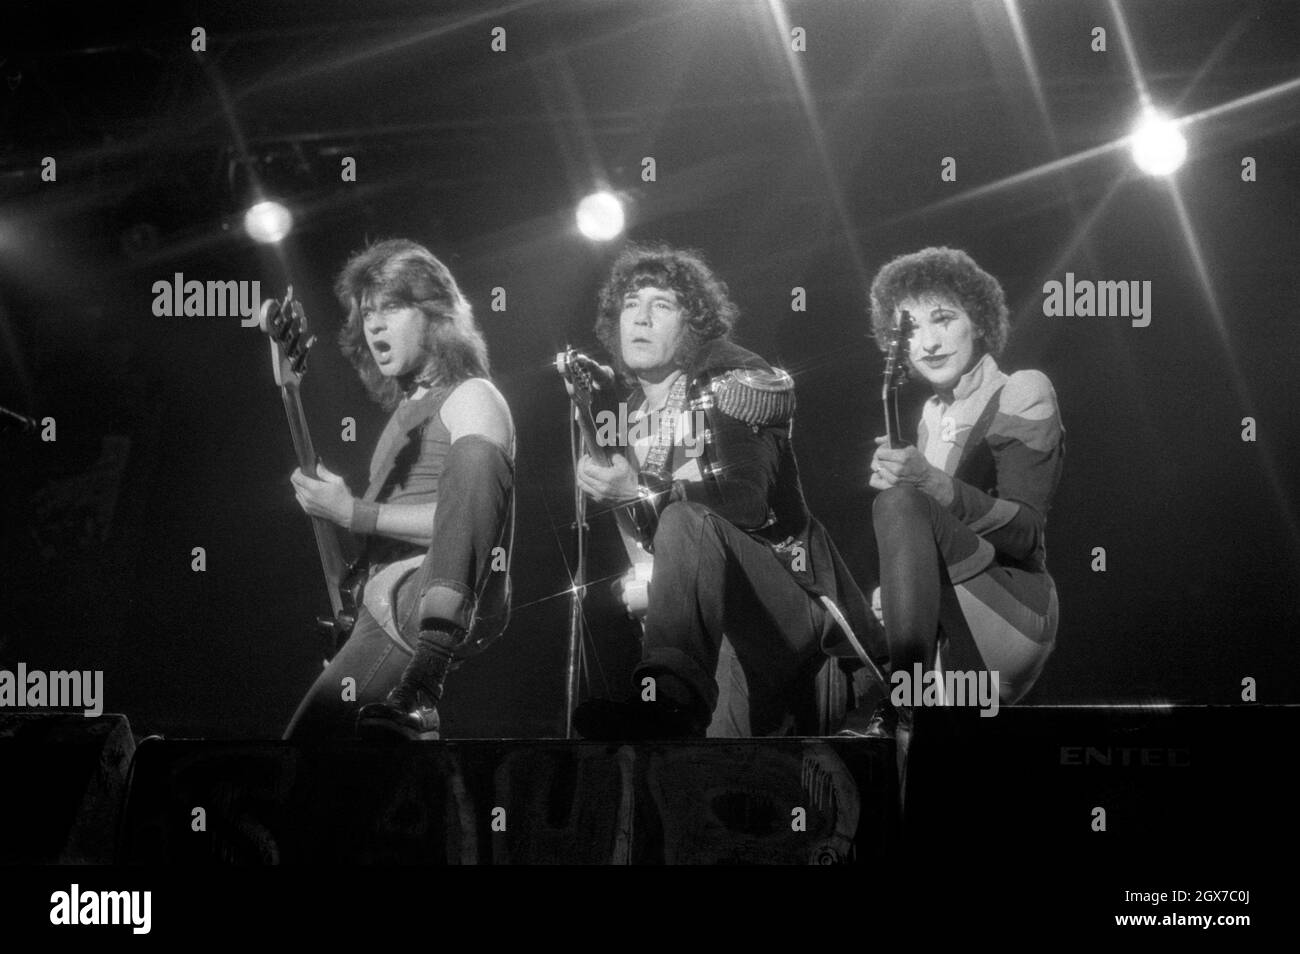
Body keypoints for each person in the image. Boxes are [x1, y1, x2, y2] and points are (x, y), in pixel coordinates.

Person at [573, 242, 886, 739]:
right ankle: (669, 709)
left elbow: (748, 502)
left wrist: (641, 487)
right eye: (631, 304)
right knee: (709, 786)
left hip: (790, 602)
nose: (641, 318)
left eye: (662, 305)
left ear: (692, 324)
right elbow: (650, 550)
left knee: (685, 517)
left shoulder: (733, 381)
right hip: (716, 642)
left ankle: (666, 705)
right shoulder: (628, 415)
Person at [283, 239, 515, 741]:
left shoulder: (471, 395)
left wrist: (355, 512)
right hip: (387, 598)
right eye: (367, 312)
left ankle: (424, 683)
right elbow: (383, 531)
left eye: (392, 306)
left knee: (305, 754)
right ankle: (414, 715)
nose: (374, 324)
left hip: (428, 594)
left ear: (436, 315)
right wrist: (337, 513)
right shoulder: (406, 414)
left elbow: (471, 515)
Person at [865, 246, 1064, 781]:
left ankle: (900, 700)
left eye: (944, 318)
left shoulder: (1021, 389)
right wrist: (898, 583)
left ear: (977, 322)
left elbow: (1025, 533)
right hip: (952, 640)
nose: (927, 341)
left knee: (901, 500)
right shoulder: (929, 416)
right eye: (910, 329)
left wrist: (924, 483)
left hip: (1015, 608)